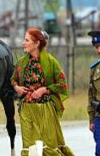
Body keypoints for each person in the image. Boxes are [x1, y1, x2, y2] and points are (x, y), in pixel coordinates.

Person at [11, 27, 74, 156]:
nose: (23, 43)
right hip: (26, 110)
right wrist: (16, 87)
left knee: (48, 147)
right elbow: (13, 80)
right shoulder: (21, 63)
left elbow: (62, 85)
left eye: (27, 40)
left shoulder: (51, 62)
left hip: (45, 109)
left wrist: (45, 90)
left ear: (37, 43)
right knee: (30, 148)